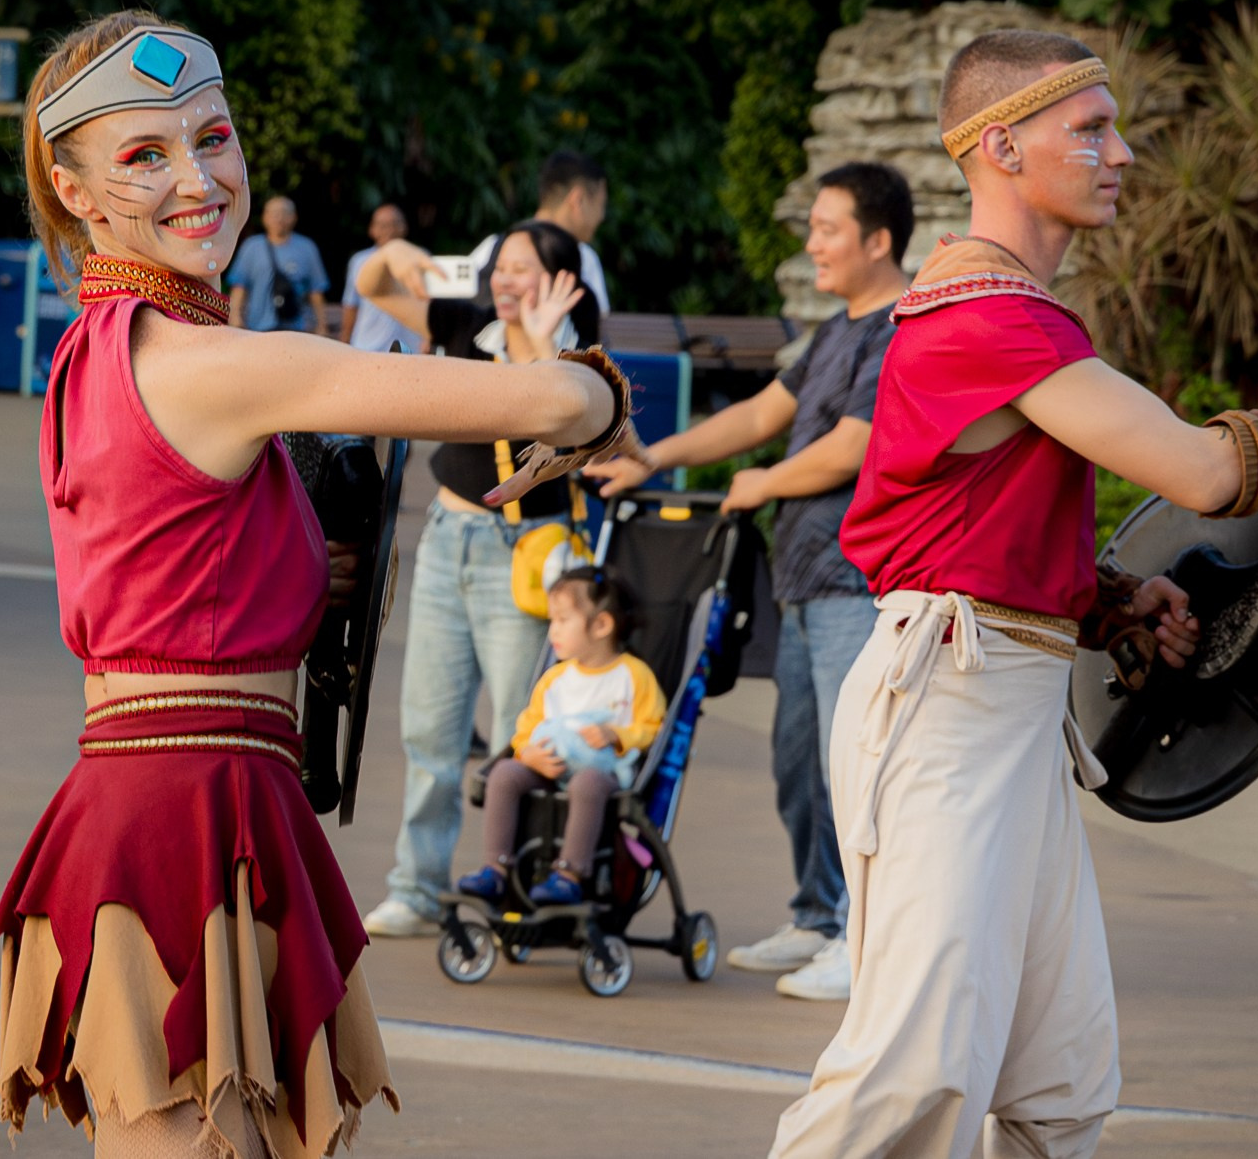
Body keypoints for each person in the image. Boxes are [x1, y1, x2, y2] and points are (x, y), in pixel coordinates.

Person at [767, 29, 1258, 1159]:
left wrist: (1099, 601)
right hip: (945, 702)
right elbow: (1203, 472)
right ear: (999, 145)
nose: (1123, 152)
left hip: (1003, 699)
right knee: (914, 1074)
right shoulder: (985, 317)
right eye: (1088, 130)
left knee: (1058, 1087)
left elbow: (967, 523)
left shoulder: (1002, 311)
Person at [0, 11, 632, 1156]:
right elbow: (540, 405)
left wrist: (289, 563)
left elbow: (167, 563)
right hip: (188, 812)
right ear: (74, 191)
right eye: (145, 155)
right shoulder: (210, 363)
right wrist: (590, 389)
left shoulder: (102, 349)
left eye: (214, 137)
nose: (199, 179)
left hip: (200, 795)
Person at [587, 161, 914, 1002]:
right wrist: (651, 457)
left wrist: (763, 484)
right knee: (800, 759)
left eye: (828, 228)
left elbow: (853, 445)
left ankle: (865, 938)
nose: (812, 244)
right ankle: (816, 914)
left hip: (856, 580)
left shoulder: (900, 331)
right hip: (804, 580)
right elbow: (761, 415)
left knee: (856, 768)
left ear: (879, 240)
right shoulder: (836, 330)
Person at [349, 217, 602, 938]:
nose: (503, 278)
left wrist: (543, 336)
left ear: (561, 279)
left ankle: (517, 881)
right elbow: (374, 284)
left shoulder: (573, 359)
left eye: (522, 267)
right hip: (448, 540)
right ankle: (418, 886)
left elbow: (559, 422)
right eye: (499, 265)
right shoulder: (466, 323)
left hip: (524, 558)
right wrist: (395, 250)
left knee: (522, 733)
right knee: (430, 726)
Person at [456, 567, 665, 908]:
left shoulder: (633, 676)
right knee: (505, 774)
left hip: (604, 773)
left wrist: (617, 734)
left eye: (563, 620)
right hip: (549, 766)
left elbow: (654, 728)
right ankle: (496, 868)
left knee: (588, 784)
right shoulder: (555, 679)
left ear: (601, 625)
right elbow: (528, 727)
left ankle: (569, 874)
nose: (552, 630)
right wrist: (527, 754)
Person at [467, 149, 612, 314]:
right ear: (578, 199)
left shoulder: (492, 245)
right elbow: (599, 329)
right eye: (601, 205)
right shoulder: (583, 257)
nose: (601, 216)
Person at [227, 194, 330, 332]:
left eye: (285, 213)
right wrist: (235, 317)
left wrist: (322, 325)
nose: (279, 218)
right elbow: (239, 287)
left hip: (295, 329)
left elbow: (316, 291)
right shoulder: (251, 247)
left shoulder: (307, 248)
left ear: (294, 217)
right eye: (274, 214)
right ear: (265, 217)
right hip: (258, 328)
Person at [340, 203, 424, 354]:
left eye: (395, 224)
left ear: (404, 227)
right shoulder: (360, 261)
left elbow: (429, 304)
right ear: (372, 229)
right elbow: (351, 305)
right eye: (383, 225)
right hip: (367, 346)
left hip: (411, 348)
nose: (390, 230)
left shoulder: (421, 258)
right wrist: (345, 341)